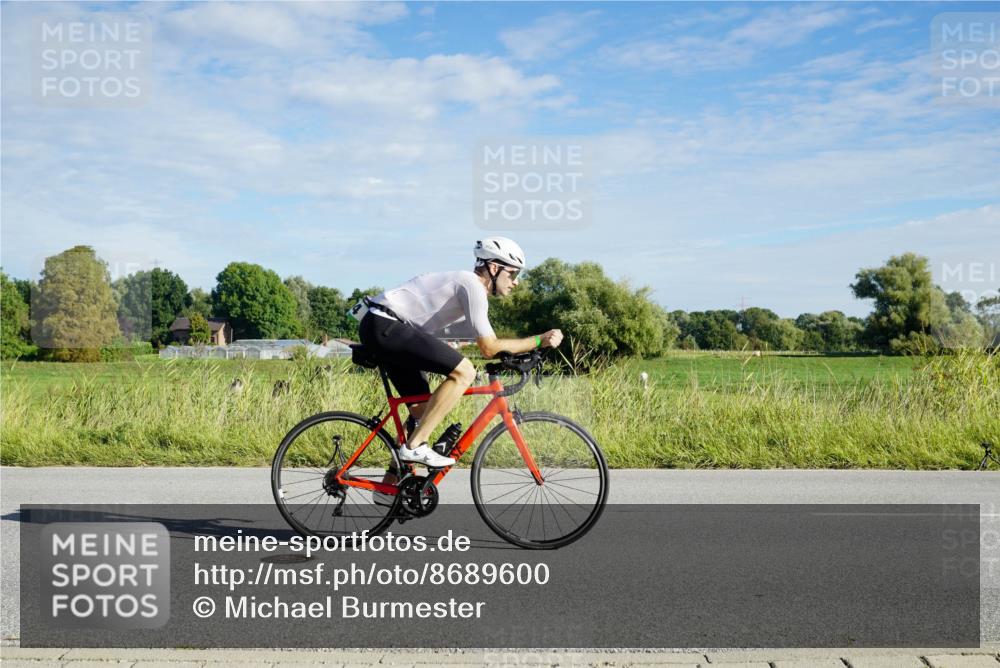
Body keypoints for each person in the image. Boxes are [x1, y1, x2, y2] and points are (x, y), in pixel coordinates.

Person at [357, 237, 563, 469]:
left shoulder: (468, 290)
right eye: (513, 274)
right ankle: (415, 446)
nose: (515, 283)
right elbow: (489, 347)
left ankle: (392, 489)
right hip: (386, 324)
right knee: (464, 372)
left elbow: (484, 343)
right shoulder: (471, 285)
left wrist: (517, 353)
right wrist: (538, 340)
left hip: (382, 326)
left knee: (421, 411)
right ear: (494, 268)